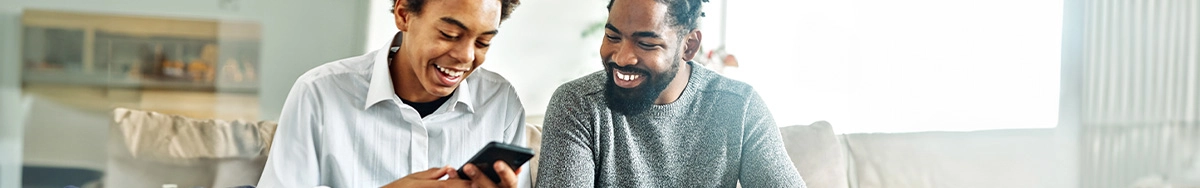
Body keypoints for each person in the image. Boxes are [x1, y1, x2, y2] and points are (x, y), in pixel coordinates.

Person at [257, 0, 528, 187]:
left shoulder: (501, 103)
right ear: (403, 15)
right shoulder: (319, 93)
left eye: (483, 42)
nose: (466, 57)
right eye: (449, 34)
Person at [535, 0, 806, 187]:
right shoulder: (578, 105)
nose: (622, 57)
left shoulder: (739, 107)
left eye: (646, 43)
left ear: (689, 46)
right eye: (612, 37)